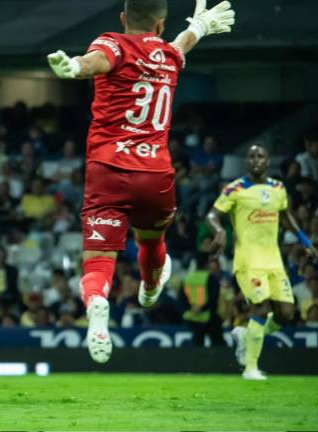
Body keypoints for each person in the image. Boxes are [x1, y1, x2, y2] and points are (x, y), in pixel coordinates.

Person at [46, 0, 235, 363]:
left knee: (98, 259)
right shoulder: (167, 55)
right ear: (161, 25)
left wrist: (73, 67)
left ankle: (98, 304)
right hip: (155, 174)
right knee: (152, 239)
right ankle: (149, 286)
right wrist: (200, 26)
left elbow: (94, 63)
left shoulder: (112, 43)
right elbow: (181, 45)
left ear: (122, 18)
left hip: (108, 170)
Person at [206, 145, 317, 380]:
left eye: (261, 156)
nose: (256, 160)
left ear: (268, 162)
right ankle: (250, 367)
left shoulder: (277, 188)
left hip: (273, 261)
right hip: (248, 260)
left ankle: (246, 336)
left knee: (286, 314)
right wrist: (218, 231)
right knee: (260, 308)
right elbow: (212, 215)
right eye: (252, 157)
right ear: (246, 162)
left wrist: (305, 240)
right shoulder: (235, 188)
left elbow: (286, 217)